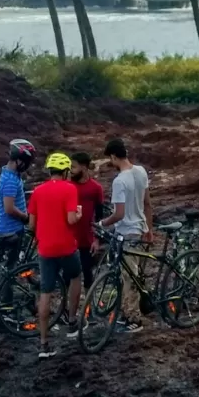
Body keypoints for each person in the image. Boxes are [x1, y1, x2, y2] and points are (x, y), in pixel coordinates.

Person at [27, 150, 83, 359]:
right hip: (67, 247)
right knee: (75, 277)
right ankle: (72, 322)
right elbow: (71, 220)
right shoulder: (70, 189)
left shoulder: (37, 191)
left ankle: (43, 344)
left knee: (45, 292)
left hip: (46, 248)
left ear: (50, 170)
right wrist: (78, 215)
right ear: (66, 171)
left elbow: (31, 225)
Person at [100, 138, 151, 333]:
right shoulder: (141, 171)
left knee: (129, 277)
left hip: (126, 232)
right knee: (131, 274)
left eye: (110, 159)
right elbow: (147, 203)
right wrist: (149, 229)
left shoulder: (119, 181)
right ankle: (127, 313)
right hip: (139, 229)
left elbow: (119, 214)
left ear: (114, 156)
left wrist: (102, 223)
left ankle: (135, 320)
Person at [0, 138, 37, 265]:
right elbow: (9, 208)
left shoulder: (9, 174)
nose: (26, 166)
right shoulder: (11, 180)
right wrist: (25, 217)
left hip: (9, 227)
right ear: (19, 160)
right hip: (11, 229)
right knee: (9, 270)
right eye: (26, 162)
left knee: (6, 266)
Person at [69, 151, 105, 292]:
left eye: (74, 167)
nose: (71, 171)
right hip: (68, 239)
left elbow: (100, 216)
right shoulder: (67, 186)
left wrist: (97, 240)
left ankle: (88, 309)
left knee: (88, 274)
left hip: (87, 240)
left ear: (84, 167)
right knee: (67, 277)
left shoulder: (96, 188)